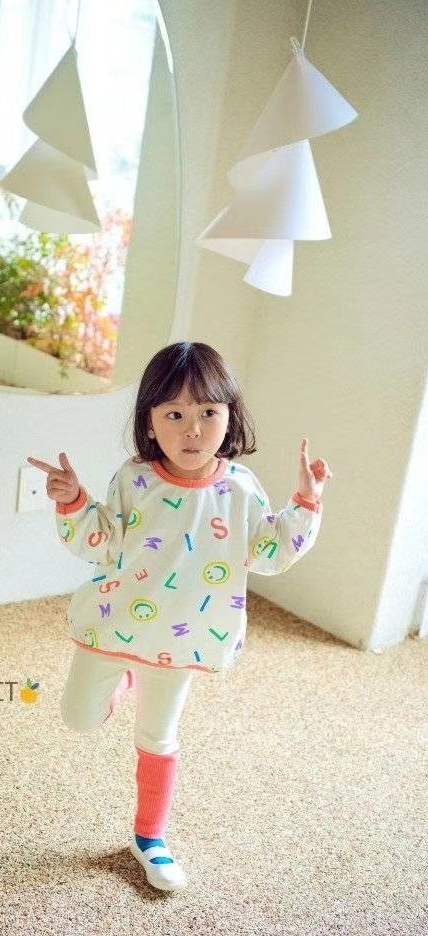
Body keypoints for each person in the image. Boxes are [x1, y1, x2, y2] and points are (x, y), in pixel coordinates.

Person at [28, 341, 332, 892]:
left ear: (230, 416)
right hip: (115, 625)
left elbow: (269, 552)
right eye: (174, 415)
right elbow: (101, 542)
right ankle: (126, 675)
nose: (192, 430)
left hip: (181, 639)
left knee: (158, 737)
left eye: (208, 413)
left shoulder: (240, 488)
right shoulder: (134, 478)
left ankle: (150, 838)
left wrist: (305, 504)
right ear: (150, 421)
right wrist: (73, 501)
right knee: (78, 718)